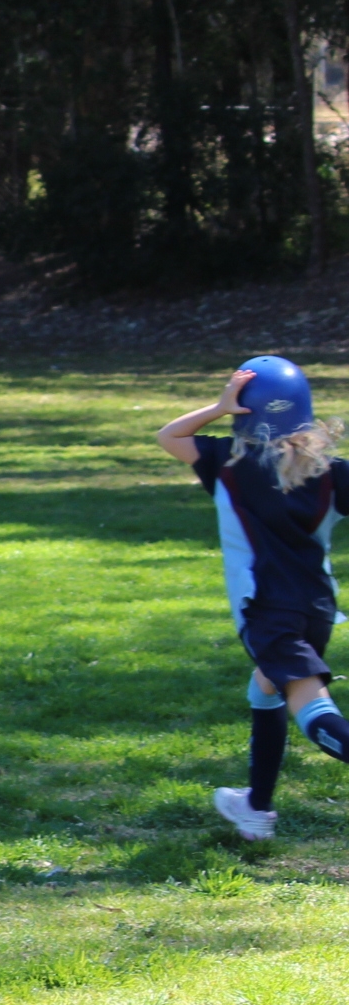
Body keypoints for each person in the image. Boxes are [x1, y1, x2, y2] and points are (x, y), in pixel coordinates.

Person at [155, 356, 349, 841]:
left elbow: (169, 436)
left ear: (246, 412)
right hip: (317, 610)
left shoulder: (228, 464)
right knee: (265, 688)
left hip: (267, 611)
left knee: (310, 705)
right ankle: (256, 809)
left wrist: (219, 407)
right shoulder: (332, 472)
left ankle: (258, 808)